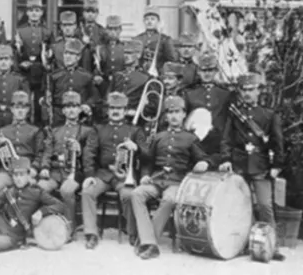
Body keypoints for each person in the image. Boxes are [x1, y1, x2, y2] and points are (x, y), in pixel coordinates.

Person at [129, 95, 211, 259]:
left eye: (177, 112)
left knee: (169, 200)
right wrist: (145, 175)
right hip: (156, 179)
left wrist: (204, 163)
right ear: (166, 116)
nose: (173, 116)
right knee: (136, 193)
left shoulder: (191, 138)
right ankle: (149, 242)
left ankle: (147, 242)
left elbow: (204, 158)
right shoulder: (159, 137)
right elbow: (148, 161)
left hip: (177, 182)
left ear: (183, 115)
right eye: (170, 112)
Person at [219, 72, 284, 260]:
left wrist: (277, 165)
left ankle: (273, 246)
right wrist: (225, 159)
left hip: (261, 166)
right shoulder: (234, 115)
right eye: (244, 90)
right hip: (239, 166)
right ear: (239, 91)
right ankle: (243, 243)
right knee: (239, 205)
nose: (247, 93)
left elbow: (277, 142)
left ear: (258, 91)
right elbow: (226, 139)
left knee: (265, 205)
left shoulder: (269, 115)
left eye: (251, 90)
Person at [81, 92, 145, 249]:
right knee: (87, 192)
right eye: (112, 108)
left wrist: (136, 148)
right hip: (103, 174)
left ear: (125, 110)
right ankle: (91, 234)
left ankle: (132, 232)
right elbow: (89, 152)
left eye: (119, 108)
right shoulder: (98, 129)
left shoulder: (135, 130)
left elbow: (148, 154)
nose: (116, 111)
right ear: (108, 110)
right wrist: (89, 175)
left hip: (124, 177)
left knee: (129, 195)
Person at [39, 91, 95, 232]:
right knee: (40, 187)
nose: (71, 110)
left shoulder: (87, 131)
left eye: (75, 106)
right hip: (55, 171)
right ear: (63, 111)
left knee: (66, 190)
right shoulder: (55, 130)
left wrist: (79, 149)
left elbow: (90, 156)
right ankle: (43, 224)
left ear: (79, 109)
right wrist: (44, 167)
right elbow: (47, 150)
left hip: (76, 172)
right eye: (68, 107)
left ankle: (69, 227)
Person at [0, 90, 42, 196]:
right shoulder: (3, 130)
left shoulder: (35, 130)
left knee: (31, 189)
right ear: (12, 109)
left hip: (27, 170)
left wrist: (34, 168)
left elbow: (40, 153)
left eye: (23, 108)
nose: (20, 111)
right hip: (7, 171)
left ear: (28, 110)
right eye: (17, 108)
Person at [135, 6, 176, 76]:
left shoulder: (164, 39)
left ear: (158, 21)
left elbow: (171, 58)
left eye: (152, 19)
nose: (149, 22)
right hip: (140, 75)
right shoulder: (138, 39)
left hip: (158, 74)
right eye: (147, 19)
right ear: (143, 21)